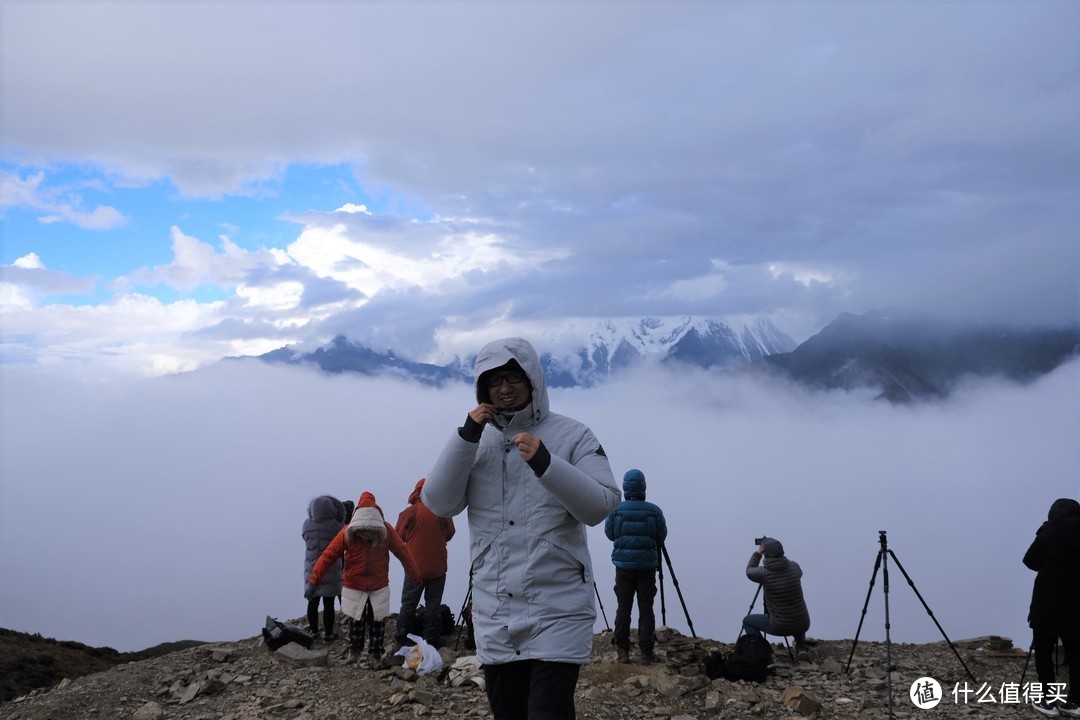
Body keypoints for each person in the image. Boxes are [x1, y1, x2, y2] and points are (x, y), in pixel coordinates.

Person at [423, 336, 620, 720]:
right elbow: (439, 502)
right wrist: (465, 436)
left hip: (557, 609)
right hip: (495, 613)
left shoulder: (573, 435)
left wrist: (547, 463)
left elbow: (601, 505)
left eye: (514, 377)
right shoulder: (475, 443)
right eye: (494, 381)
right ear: (482, 389)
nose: (505, 388)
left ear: (533, 381)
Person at [309, 491, 422, 668]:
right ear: (377, 509)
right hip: (379, 583)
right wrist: (415, 575)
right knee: (377, 621)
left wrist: (314, 580)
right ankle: (375, 656)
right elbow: (404, 553)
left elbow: (328, 555)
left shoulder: (348, 531)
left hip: (354, 583)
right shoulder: (386, 529)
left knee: (356, 619)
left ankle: (354, 653)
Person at [1023, 497, 1080, 717]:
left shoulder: (1050, 532)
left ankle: (1048, 700)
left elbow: (1030, 561)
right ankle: (1075, 702)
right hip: (1076, 605)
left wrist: (1042, 532)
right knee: (1076, 653)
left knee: (1044, 651)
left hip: (1047, 604)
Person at [604, 468, 667, 665]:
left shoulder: (616, 509)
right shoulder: (654, 511)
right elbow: (661, 536)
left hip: (623, 566)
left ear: (625, 487)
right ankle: (646, 653)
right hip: (647, 566)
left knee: (624, 606)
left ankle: (623, 652)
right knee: (646, 607)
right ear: (643, 487)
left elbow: (610, 534)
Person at [395, 477, 456, 649]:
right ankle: (432, 640)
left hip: (415, 567)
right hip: (438, 566)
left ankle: (403, 637)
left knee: (409, 603)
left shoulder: (410, 512)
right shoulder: (441, 511)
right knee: (433, 604)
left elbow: (398, 536)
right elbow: (450, 533)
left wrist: (413, 540)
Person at [742, 537, 811, 656]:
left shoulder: (764, 574)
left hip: (781, 626)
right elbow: (788, 564)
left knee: (747, 621)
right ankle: (801, 647)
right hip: (803, 623)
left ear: (766, 553)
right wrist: (776, 552)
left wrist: (758, 553)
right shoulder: (794, 568)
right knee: (796, 616)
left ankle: (762, 651)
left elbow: (749, 570)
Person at [302, 495, 346, 641]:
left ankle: (314, 632)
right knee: (329, 603)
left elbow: (304, 538)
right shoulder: (337, 526)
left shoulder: (306, 525)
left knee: (312, 602)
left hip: (311, 568)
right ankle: (328, 634)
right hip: (331, 570)